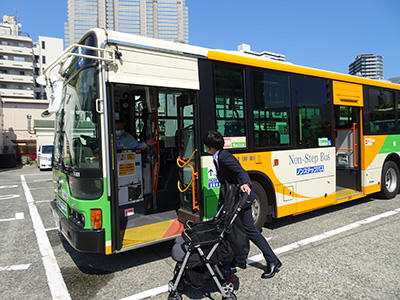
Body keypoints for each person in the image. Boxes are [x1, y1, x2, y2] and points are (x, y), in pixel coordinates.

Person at [203, 130, 282, 279]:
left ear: (209, 147)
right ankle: (232, 261)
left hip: (242, 197)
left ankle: (273, 261)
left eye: (206, 145)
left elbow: (240, 171)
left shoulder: (224, 157)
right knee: (230, 228)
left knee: (249, 230)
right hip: (232, 198)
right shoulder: (217, 156)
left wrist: (245, 183)